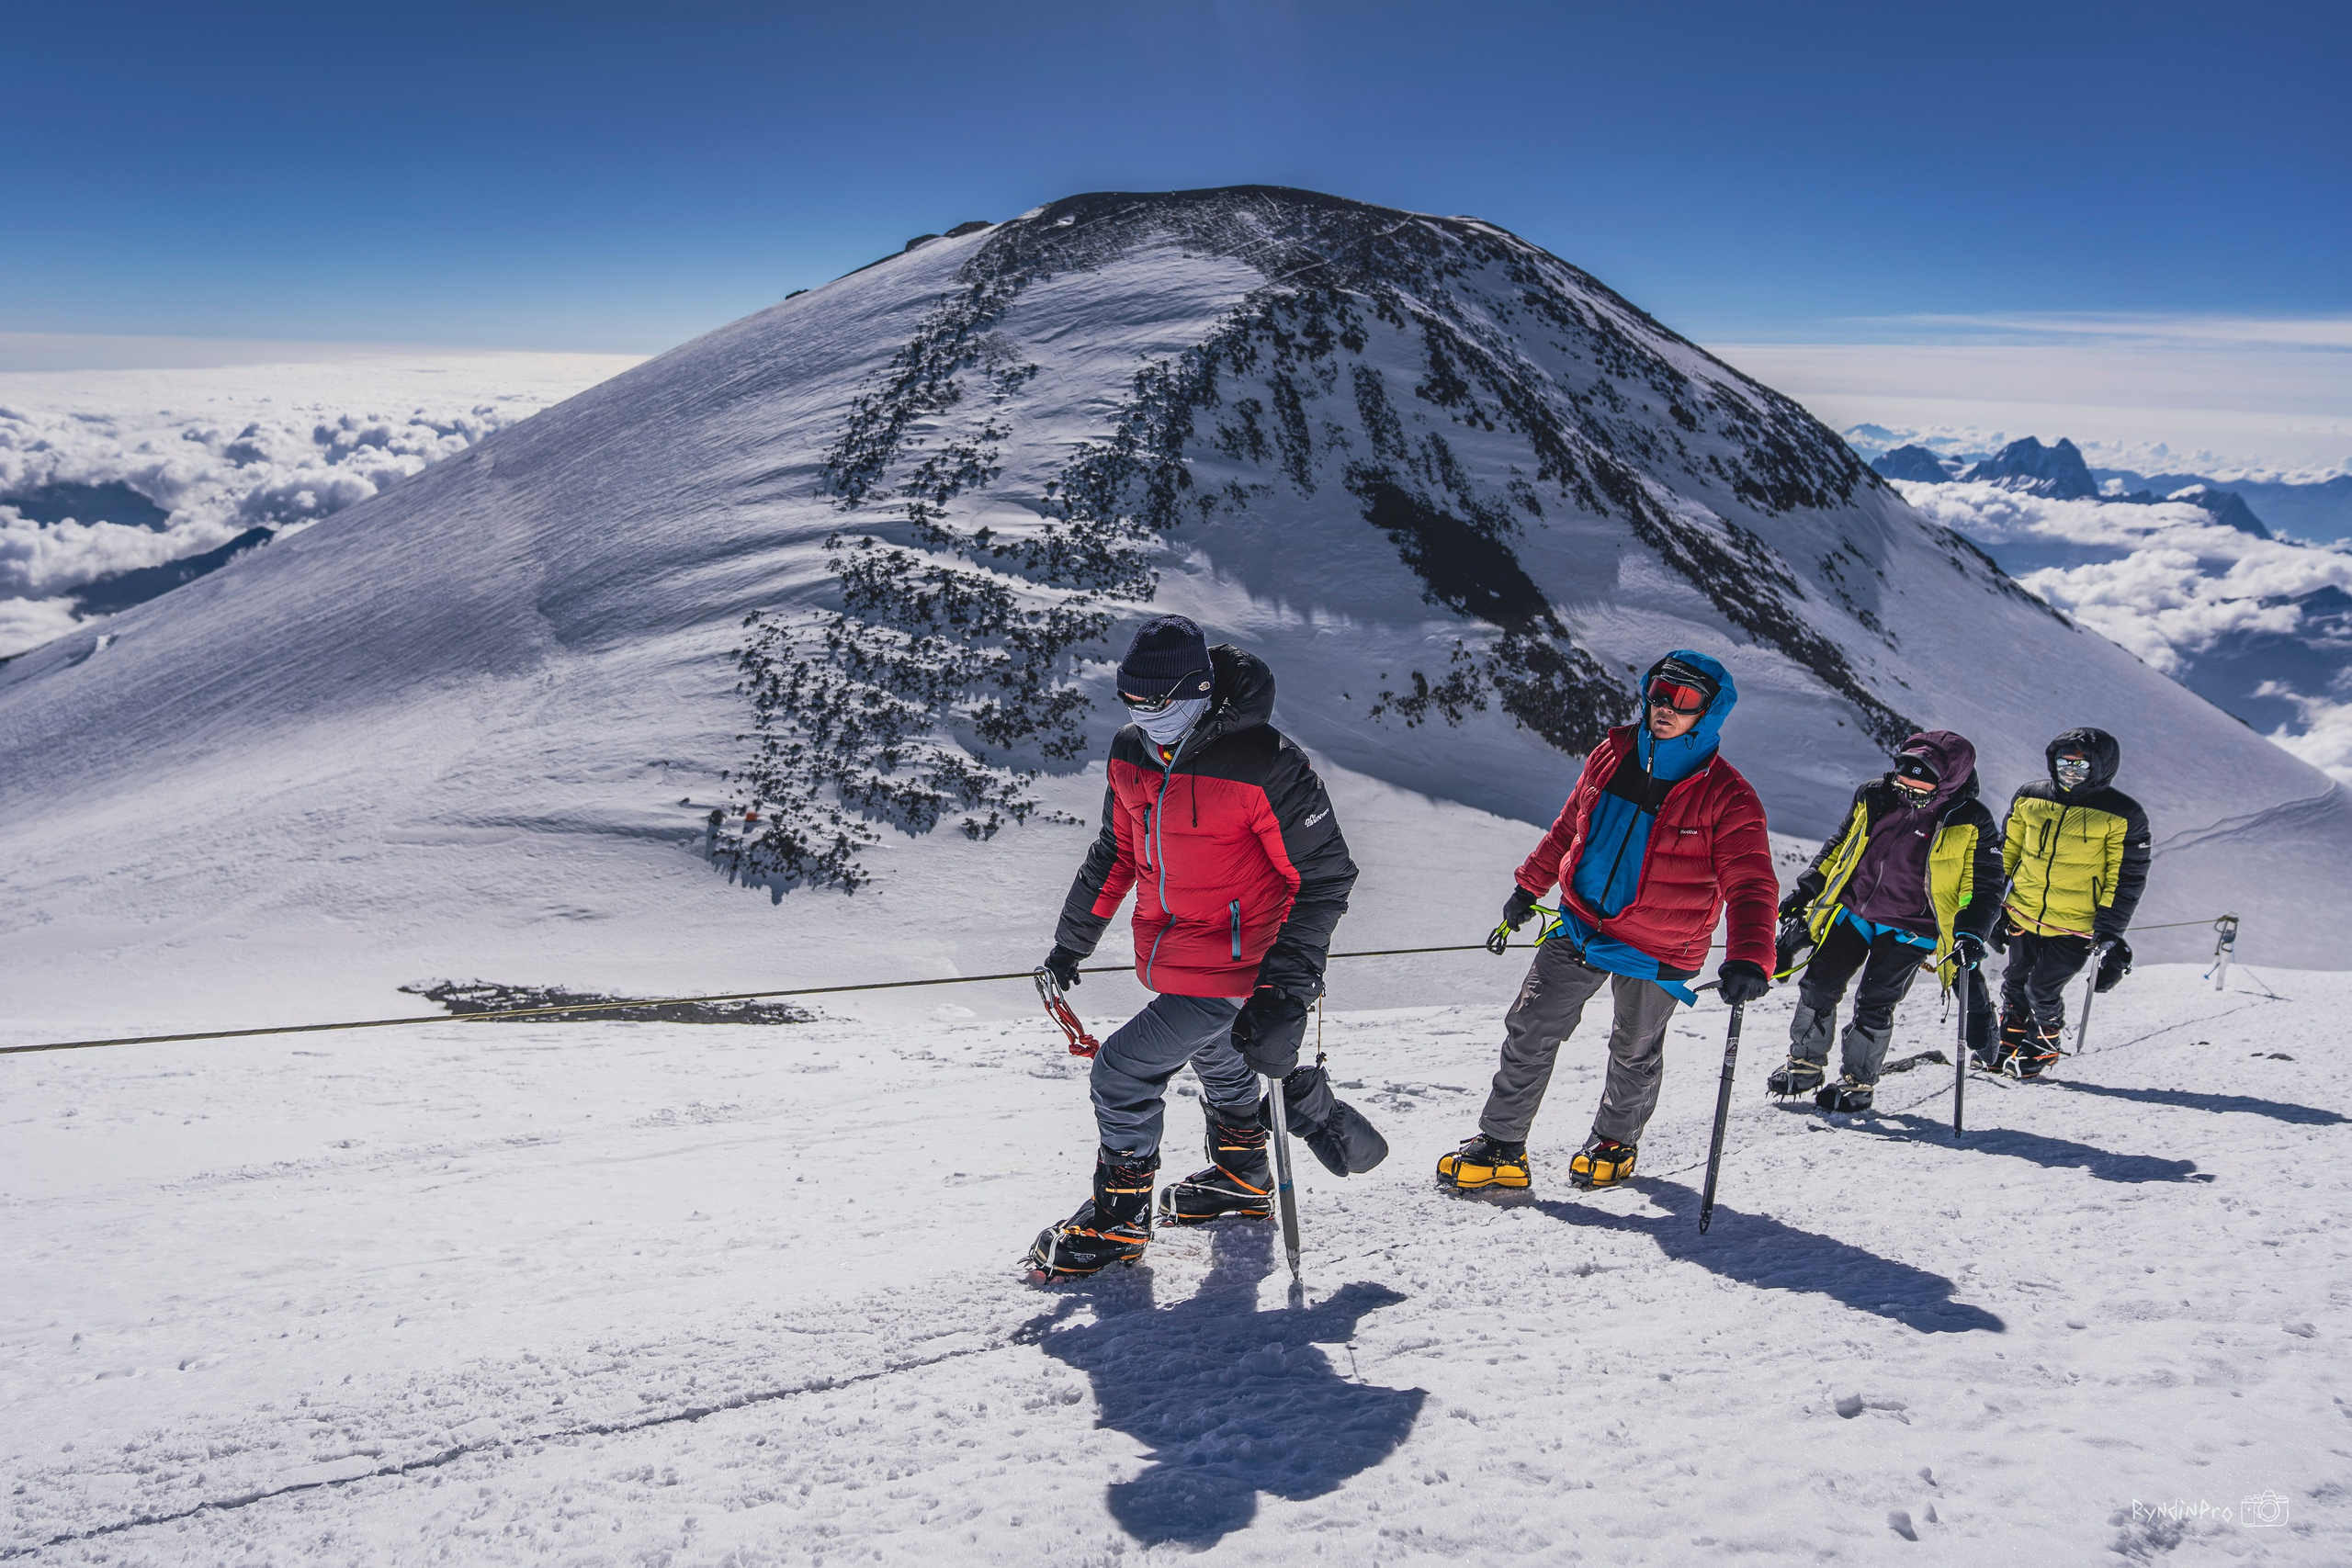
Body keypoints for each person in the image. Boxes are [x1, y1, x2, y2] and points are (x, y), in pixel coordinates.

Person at [1027, 616, 1361, 1280]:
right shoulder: (1129, 755)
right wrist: (1072, 945)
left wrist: (1285, 988)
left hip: (1246, 966)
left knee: (1122, 1070)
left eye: (1159, 701)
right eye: (1132, 700)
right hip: (1183, 957)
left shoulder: (1265, 763)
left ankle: (1119, 1219)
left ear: (1200, 690)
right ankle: (1242, 1178)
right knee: (1218, 1053)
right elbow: (1115, 855)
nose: (1145, 714)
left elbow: (1324, 876)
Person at [1436, 650, 1776, 1193]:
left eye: (1684, 699)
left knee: (1633, 1047)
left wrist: (1750, 957)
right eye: (1659, 692)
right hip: (1579, 924)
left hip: (1660, 944)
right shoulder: (1612, 753)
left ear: (1710, 712)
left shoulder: (1728, 798)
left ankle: (1614, 1143)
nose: (1665, 707)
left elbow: (1752, 883)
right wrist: (1530, 885)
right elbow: (1571, 823)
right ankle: (1502, 1146)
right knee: (1531, 1027)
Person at [1767, 731, 2003, 1112]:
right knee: (1818, 984)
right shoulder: (1873, 796)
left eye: (1921, 779)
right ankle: (1805, 1064)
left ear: (1950, 779)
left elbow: (1985, 885)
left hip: (1913, 926)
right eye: (1903, 775)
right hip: (1853, 910)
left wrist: (1972, 930)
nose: (1907, 786)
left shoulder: (1971, 820)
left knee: (1876, 1001)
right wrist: (1808, 889)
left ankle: (1858, 1082)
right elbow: (1841, 844)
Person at [1994, 728, 2150, 1078]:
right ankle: (2007, 1042)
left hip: (2077, 923)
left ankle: (2043, 1045)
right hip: (2023, 909)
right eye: (2065, 762)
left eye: (2081, 766)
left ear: (2101, 767)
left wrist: (2110, 928)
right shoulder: (2030, 796)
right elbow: (2006, 851)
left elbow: (2126, 875)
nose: (2071, 771)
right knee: (2015, 980)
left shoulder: (2123, 813)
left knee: (2042, 987)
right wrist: (1991, 907)